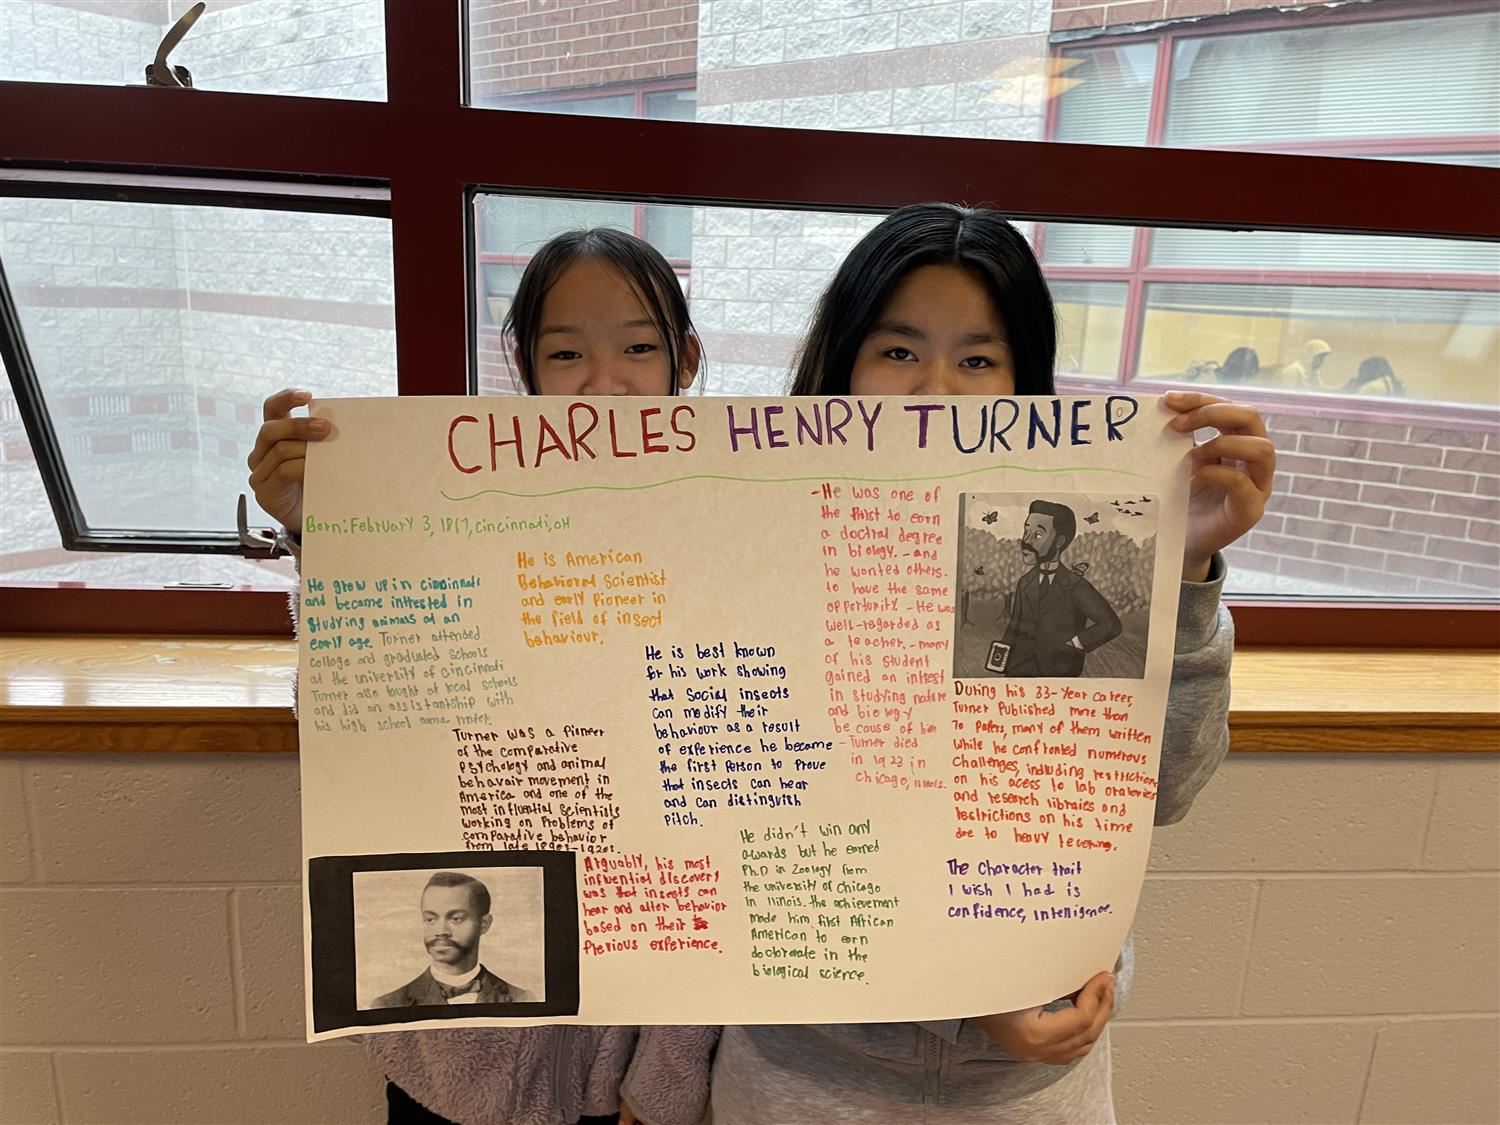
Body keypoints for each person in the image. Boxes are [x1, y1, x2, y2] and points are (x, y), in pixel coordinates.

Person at [670, 203, 1273, 1125]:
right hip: (806, 1076)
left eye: (979, 359)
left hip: (1028, 1087)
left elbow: (1157, 791)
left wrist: (1186, 569)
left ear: (1027, 386)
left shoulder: (1071, 550)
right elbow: (738, 820)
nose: (937, 393)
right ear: (842, 365)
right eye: (900, 351)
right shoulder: (750, 544)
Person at [248, 228, 707, 1125]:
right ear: (525, 367)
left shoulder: (734, 527)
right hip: (460, 1061)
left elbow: (738, 816)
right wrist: (326, 538)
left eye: (639, 348)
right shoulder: (465, 514)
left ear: (685, 361)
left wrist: (665, 1079)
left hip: (639, 1048)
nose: (602, 385)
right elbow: (354, 724)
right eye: (567, 352)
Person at [370, 872, 535, 1009]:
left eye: (456, 919)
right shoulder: (387, 1005)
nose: (441, 932)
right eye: (430, 919)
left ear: (484, 924)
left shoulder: (523, 999)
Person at [1000, 499, 1122, 677]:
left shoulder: (1076, 586)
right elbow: (1014, 626)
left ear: (1058, 542)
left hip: (1058, 675)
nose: (1026, 540)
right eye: (1026, 531)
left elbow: (1110, 625)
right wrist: (1000, 660)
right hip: (1018, 672)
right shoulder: (1024, 582)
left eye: (1038, 535)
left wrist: (1076, 643)